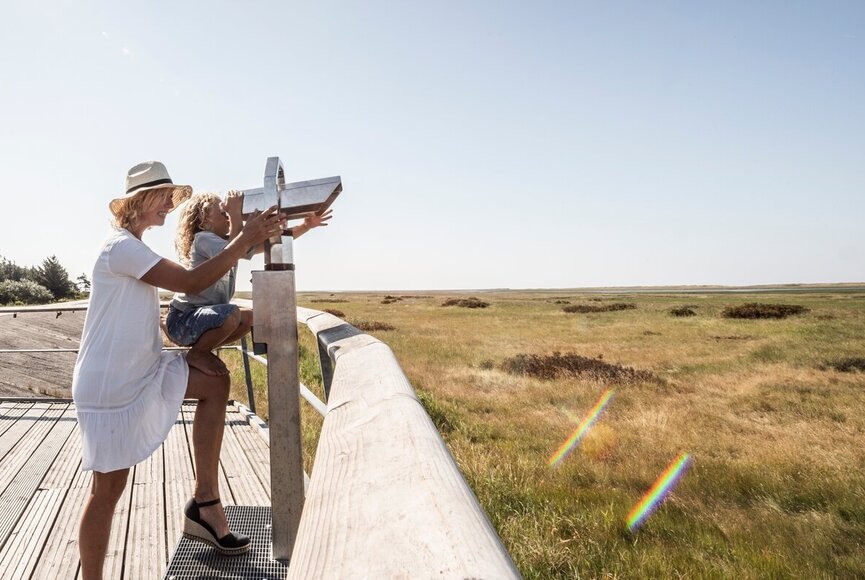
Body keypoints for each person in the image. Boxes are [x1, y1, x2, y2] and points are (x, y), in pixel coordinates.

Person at [71, 161, 286, 579]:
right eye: (165, 196)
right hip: (110, 383)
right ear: (138, 201)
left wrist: (247, 238)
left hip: (142, 370)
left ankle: (205, 504)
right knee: (107, 490)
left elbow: (194, 280)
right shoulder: (121, 247)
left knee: (216, 383)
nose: (171, 204)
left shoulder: (134, 246)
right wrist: (244, 236)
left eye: (173, 197)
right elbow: (190, 284)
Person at [164, 190, 331, 375]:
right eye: (223, 213)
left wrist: (305, 226)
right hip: (182, 319)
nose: (228, 217)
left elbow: (264, 245)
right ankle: (198, 354)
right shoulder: (203, 239)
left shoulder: (227, 242)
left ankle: (202, 350)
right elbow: (232, 251)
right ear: (204, 220)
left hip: (199, 319)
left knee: (250, 317)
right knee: (232, 314)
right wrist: (235, 214)